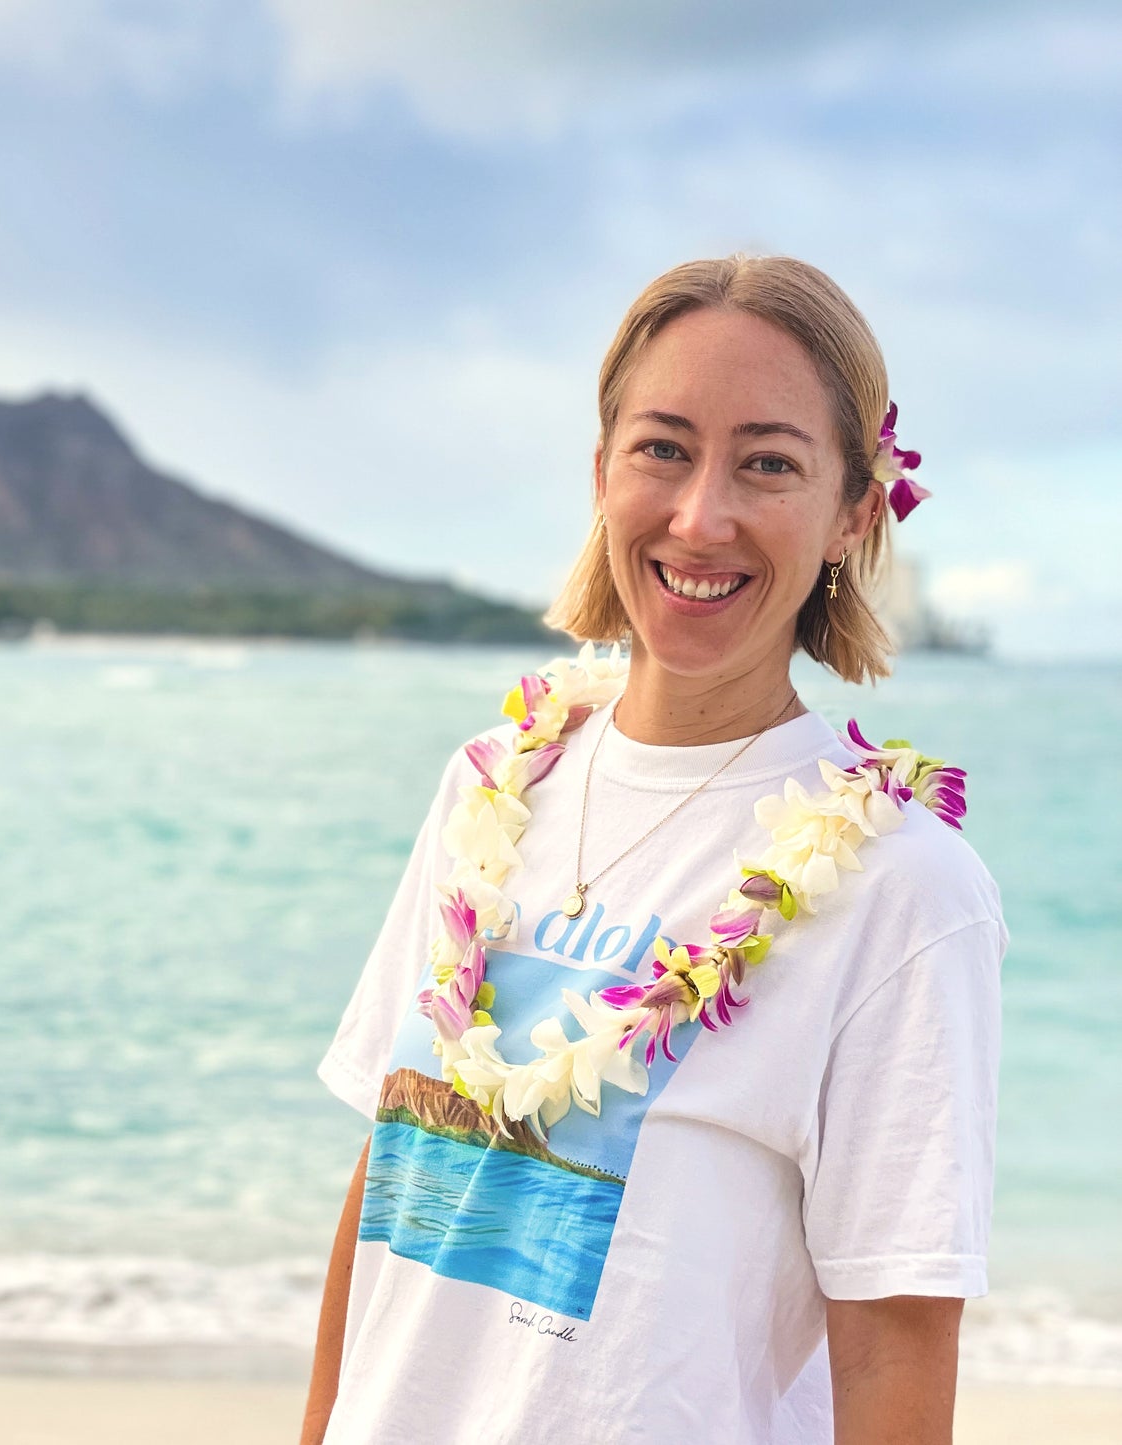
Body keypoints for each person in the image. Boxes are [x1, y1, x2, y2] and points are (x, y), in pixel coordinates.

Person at [302, 254, 1005, 1445]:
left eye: (767, 463)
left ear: (851, 510)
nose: (699, 516)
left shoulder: (901, 886)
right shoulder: (492, 782)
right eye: (663, 447)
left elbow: (893, 1343)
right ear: (600, 471)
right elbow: (383, 1183)